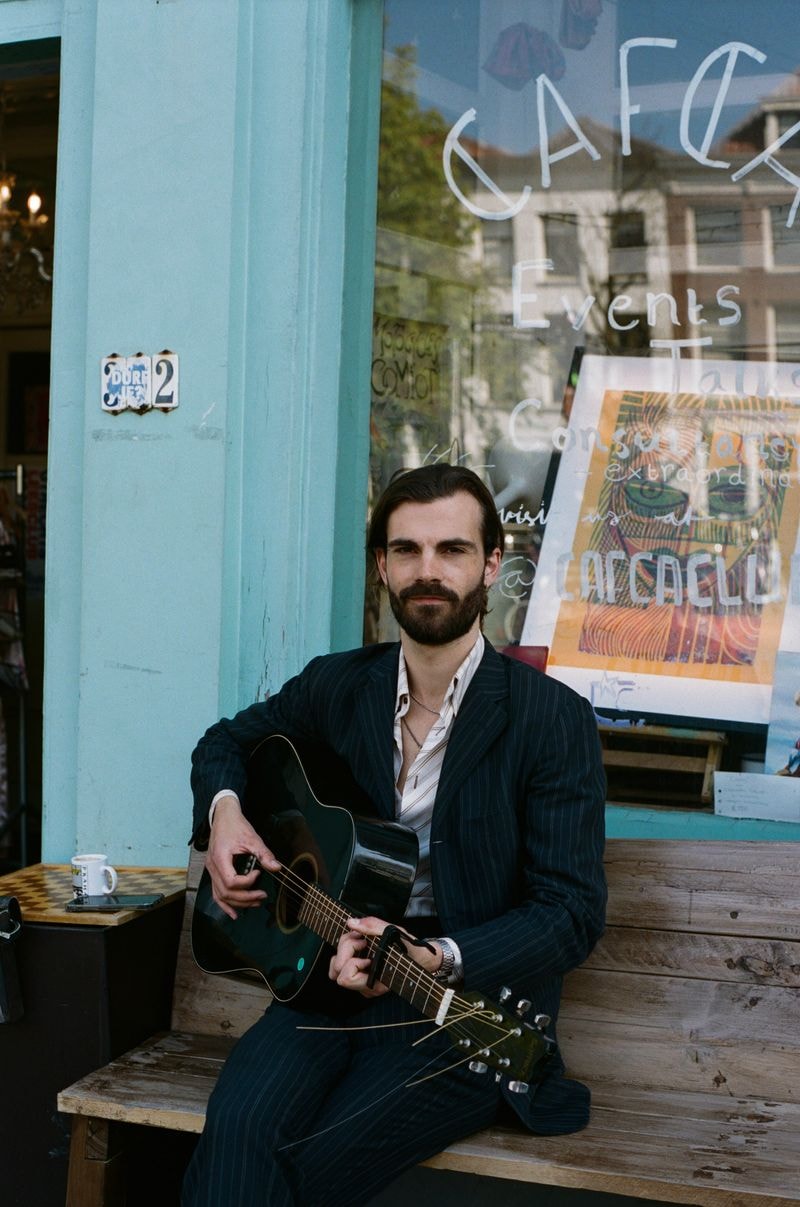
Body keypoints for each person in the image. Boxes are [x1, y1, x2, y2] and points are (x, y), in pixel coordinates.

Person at [182, 463, 606, 1207]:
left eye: (452, 549)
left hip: (461, 1009)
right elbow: (225, 741)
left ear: (491, 565)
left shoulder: (551, 719)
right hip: (323, 978)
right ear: (381, 565)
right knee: (238, 1131)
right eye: (406, 550)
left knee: (307, 1168)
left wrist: (435, 953)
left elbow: (570, 911)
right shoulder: (340, 684)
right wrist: (224, 814)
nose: (428, 571)